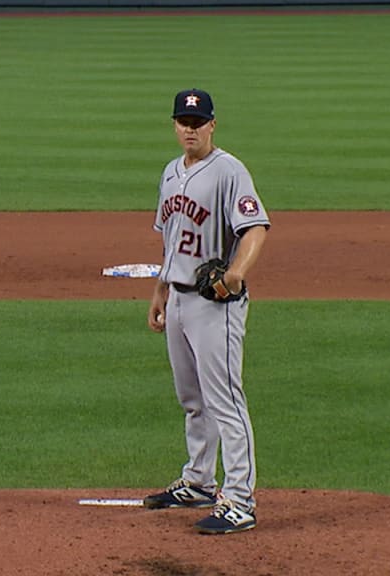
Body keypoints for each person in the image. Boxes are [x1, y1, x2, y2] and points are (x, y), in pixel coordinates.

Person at [143, 88, 270, 535]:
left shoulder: (229, 171)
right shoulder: (170, 172)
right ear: (175, 125)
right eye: (183, 122)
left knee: (226, 401)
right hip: (178, 297)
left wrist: (234, 274)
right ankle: (198, 481)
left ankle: (240, 500)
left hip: (216, 304)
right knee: (192, 399)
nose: (190, 129)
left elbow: (255, 227)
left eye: (198, 122)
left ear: (212, 125)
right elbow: (171, 239)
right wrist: (161, 289)